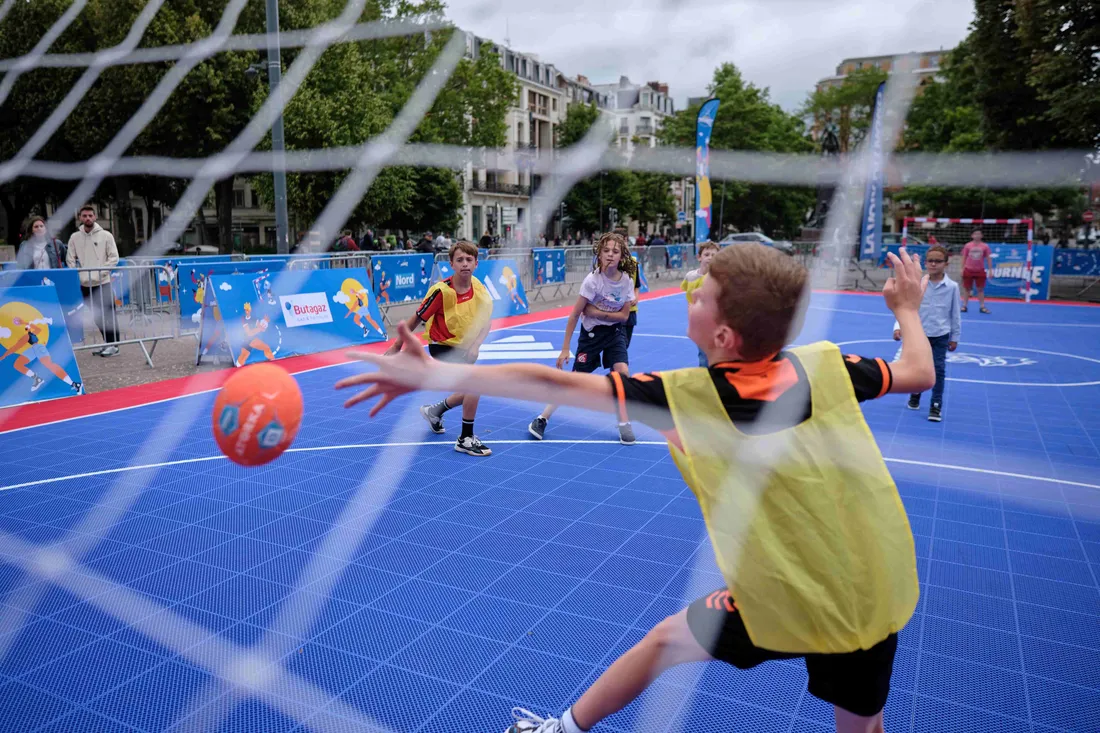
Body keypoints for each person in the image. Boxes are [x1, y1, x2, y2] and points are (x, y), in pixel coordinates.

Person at [336, 244, 934, 733]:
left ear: (722, 336)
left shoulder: (687, 400)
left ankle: (561, 731)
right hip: (871, 586)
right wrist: (906, 307)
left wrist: (437, 372)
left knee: (665, 642)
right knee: (860, 726)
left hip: (790, 594)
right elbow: (918, 372)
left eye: (703, 289)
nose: (692, 287)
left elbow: (547, 381)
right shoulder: (824, 364)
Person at [527, 233, 637, 446]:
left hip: (614, 333)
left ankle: (624, 422)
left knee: (622, 374)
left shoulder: (625, 282)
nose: (610, 255)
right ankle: (542, 418)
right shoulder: (592, 281)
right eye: (606, 251)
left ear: (622, 256)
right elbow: (575, 314)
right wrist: (565, 348)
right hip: (592, 335)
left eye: (615, 251)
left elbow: (624, 316)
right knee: (575, 380)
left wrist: (597, 313)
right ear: (599, 254)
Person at [387, 241, 493, 457]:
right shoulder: (441, 292)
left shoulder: (479, 289)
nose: (465, 264)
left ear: (476, 264)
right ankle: (465, 438)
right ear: (451, 264)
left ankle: (434, 411)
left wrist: (476, 345)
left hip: (465, 348)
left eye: (469, 260)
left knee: (467, 390)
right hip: (442, 346)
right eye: (460, 260)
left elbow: (487, 322)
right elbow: (416, 319)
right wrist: (397, 345)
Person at [893, 245, 959, 422]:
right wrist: (898, 326)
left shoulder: (952, 287)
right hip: (919, 334)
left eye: (938, 261)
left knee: (938, 369)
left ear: (946, 263)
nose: (934, 264)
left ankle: (936, 405)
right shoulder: (917, 284)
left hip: (941, 334)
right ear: (925, 263)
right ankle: (915, 394)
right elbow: (906, 306)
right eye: (930, 260)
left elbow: (955, 314)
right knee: (918, 368)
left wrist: (955, 337)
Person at [67, 205, 121, 357]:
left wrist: (99, 273)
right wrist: (79, 276)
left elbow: (114, 258)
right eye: (84, 216)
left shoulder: (106, 236)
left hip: (103, 283)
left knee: (109, 315)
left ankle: (115, 346)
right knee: (97, 317)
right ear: (80, 218)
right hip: (85, 285)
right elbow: (70, 258)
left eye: (90, 215)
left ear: (95, 217)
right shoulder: (74, 237)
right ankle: (107, 344)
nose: (88, 218)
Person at [1, 316, 83, 395]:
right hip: (33, 349)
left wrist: (3, 356)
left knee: (50, 365)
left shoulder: (27, 336)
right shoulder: (30, 335)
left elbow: (15, 348)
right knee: (18, 364)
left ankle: (74, 384)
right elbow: (37, 329)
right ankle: (37, 379)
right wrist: (23, 322)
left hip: (37, 348)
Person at [681, 241, 718, 366]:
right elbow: (689, 297)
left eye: (714, 255)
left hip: (716, 322)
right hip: (700, 323)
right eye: (707, 254)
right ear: (699, 257)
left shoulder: (719, 277)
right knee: (703, 355)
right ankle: (705, 378)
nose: (710, 258)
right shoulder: (690, 276)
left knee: (716, 355)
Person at [960, 229, 993, 314]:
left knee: (980, 289)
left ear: (982, 236)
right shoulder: (968, 245)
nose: (977, 236)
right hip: (968, 269)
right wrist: (962, 268)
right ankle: (964, 306)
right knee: (967, 289)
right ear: (972, 235)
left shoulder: (985, 246)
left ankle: (982, 306)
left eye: (979, 234)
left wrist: (990, 270)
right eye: (975, 234)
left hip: (980, 270)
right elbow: (964, 257)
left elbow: (988, 258)